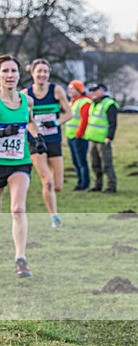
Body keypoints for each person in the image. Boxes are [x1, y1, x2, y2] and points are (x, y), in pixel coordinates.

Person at [0, 54, 48, 277]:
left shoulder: (26, 100)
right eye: (5, 71)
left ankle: (21, 259)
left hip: (20, 161)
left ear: (20, 75)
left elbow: (29, 121)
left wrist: (38, 137)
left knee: (18, 208)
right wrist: (3, 133)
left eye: (13, 71)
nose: (10, 75)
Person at [23, 58, 71, 227]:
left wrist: (56, 122)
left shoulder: (56, 90)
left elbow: (69, 113)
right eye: (39, 71)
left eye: (45, 71)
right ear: (32, 73)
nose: (42, 74)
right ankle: (54, 217)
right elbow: (24, 118)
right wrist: (34, 133)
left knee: (57, 185)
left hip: (54, 140)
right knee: (47, 181)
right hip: (36, 141)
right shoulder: (25, 94)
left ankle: (51, 195)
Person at [84, 82, 119, 193]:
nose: (93, 93)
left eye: (95, 90)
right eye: (92, 91)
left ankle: (111, 186)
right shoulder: (94, 103)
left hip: (103, 139)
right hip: (92, 138)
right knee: (95, 164)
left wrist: (109, 137)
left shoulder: (109, 104)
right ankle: (97, 185)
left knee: (106, 164)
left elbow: (113, 123)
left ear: (102, 91)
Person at [64, 80, 92, 191]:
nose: (69, 91)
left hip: (79, 137)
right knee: (75, 161)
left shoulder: (84, 102)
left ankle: (84, 183)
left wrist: (79, 134)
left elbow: (84, 120)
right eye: (69, 89)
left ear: (79, 90)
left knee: (81, 161)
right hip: (71, 136)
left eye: (72, 89)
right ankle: (80, 182)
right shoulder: (72, 102)